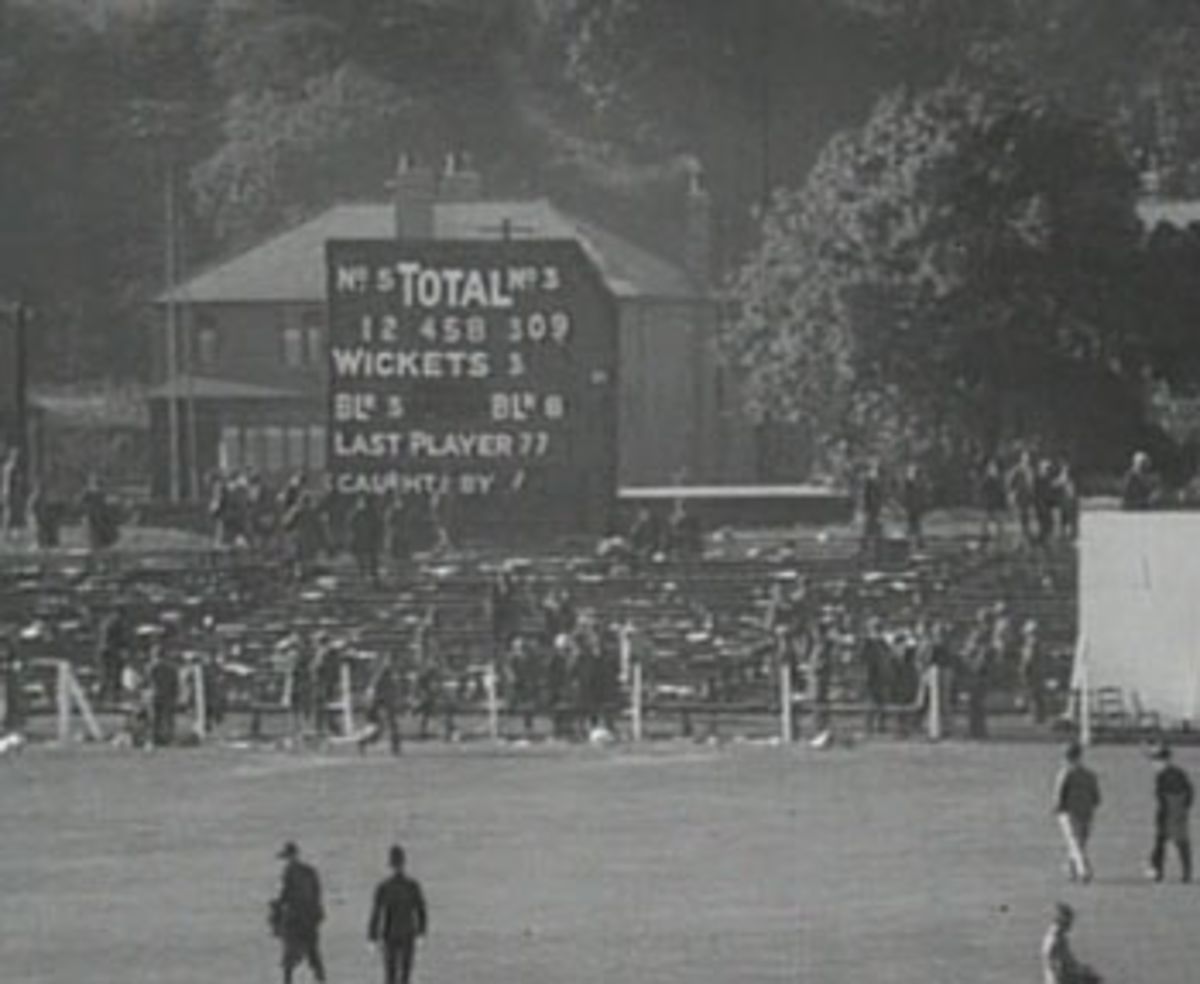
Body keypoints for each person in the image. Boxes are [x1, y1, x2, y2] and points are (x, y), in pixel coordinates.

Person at [368, 844, 428, 984]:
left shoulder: (384, 887)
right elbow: (421, 910)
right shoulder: (412, 886)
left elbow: (376, 913)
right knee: (405, 974)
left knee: (390, 974)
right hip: (408, 933)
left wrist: (372, 936)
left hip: (390, 934)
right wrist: (421, 932)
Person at [271, 842, 326, 984]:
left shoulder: (290, 872)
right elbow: (317, 893)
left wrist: (277, 905)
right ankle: (320, 977)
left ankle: (288, 981)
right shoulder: (310, 871)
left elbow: (286, 894)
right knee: (313, 951)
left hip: (296, 917)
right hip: (310, 917)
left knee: (290, 954)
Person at [1052, 741, 1101, 884]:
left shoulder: (1065, 773)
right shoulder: (1090, 775)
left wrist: (1057, 807)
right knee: (1080, 842)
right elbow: (1096, 796)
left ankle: (1083, 870)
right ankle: (1070, 868)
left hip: (1069, 812)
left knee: (1074, 841)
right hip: (1087, 812)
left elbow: (1059, 793)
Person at [1146, 742, 1193, 883]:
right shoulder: (1180, 773)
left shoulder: (1162, 777)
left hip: (1168, 810)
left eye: (1154, 761)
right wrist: (1185, 806)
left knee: (1160, 842)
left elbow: (1161, 797)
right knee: (1181, 843)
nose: (1153, 765)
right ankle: (1186, 873)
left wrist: (1162, 814)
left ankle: (1158, 872)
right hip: (1181, 811)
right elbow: (1190, 792)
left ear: (1161, 761)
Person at [1041, 902, 1102, 984]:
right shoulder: (1055, 941)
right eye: (1069, 920)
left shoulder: (1059, 938)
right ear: (1062, 920)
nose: (1071, 924)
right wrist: (1082, 975)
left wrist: (1083, 970)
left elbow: (1067, 963)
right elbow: (1060, 969)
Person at [359, 652, 403, 757]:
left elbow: (394, 686)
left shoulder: (391, 672)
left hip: (385, 699)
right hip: (380, 698)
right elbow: (375, 682)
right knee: (380, 725)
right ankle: (365, 741)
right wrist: (371, 692)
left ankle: (395, 747)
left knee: (390, 724)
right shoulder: (384, 671)